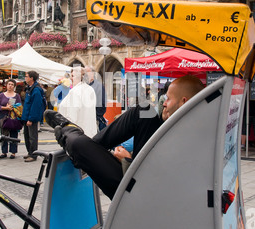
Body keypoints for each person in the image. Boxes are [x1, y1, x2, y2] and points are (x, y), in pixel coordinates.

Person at [45, 74, 205, 199]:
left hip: (139, 195)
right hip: (142, 177)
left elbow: (158, 182)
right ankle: (92, 146)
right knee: (144, 111)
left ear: (184, 102)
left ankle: (70, 132)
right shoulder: (186, 129)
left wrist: (127, 161)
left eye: (168, 99)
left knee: (79, 144)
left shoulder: (187, 140)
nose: (163, 103)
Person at [58, 66, 97, 137]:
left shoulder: (75, 91)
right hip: (88, 133)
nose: (71, 78)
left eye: (73, 76)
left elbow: (72, 116)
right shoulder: (90, 89)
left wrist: (67, 131)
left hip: (75, 134)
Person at [22, 71, 46, 162]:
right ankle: (30, 152)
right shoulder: (30, 88)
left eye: (26, 76)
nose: (25, 77)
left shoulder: (36, 90)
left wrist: (31, 119)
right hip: (27, 116)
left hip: (31, 117)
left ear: (32, 78)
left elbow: (36, 106)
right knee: (27, 136)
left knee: (32, 137)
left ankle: (33, 154)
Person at [0, 79, 22, 159]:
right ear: (6, 85)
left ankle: (13, 152)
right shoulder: (1, 95)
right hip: (3, 117)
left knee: (13, 135)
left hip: (13, 117)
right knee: (4, 134)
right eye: (9, 84)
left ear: (14, 86)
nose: (10, 86)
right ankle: (4, 151)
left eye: (12, 84)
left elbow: (20, 106)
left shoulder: (17, 95)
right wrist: (5, 108)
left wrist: (13, 108)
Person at [84, 66, 107, 131]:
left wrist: (96, 116)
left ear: (92, 73)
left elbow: (102, 104)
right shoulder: (84, 85)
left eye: (86, 72)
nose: (84, 74)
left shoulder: (98, 86)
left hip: (94, 119)